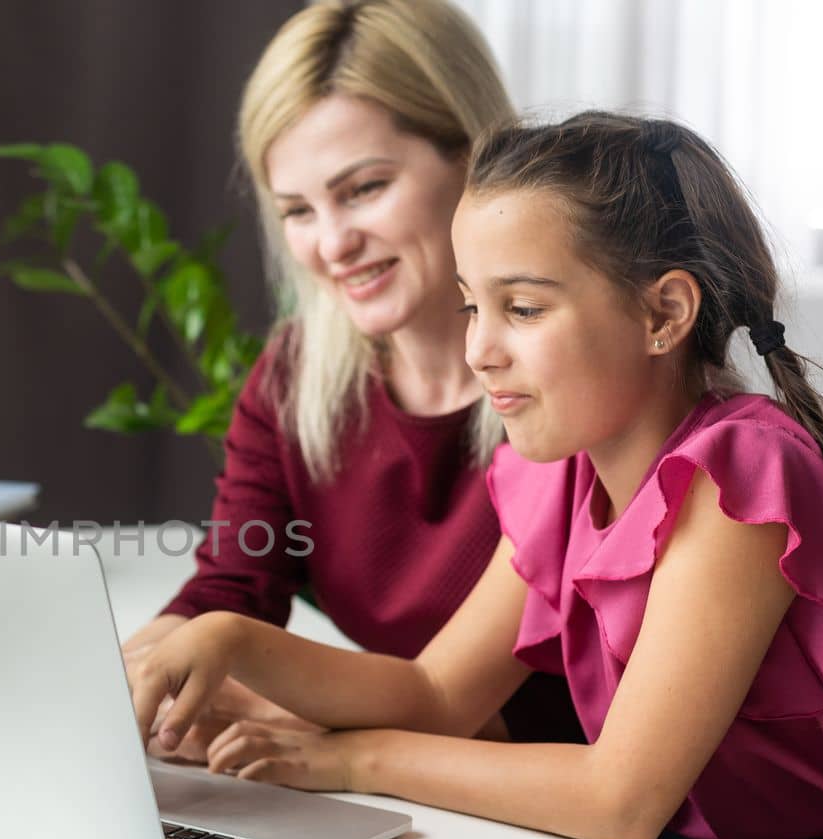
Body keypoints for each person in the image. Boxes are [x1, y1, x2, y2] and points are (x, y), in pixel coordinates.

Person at [129, 110, 823, 839]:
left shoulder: (736, 477)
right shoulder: (558, 475)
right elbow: (435, 692)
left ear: (664, 313)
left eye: (521, 308)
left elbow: (621, 799)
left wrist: (352, 759)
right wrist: (231, 643)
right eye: (471, 306)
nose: (480, 349)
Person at [124, 0, 580, 753]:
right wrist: (138, 675)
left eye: (364, 188)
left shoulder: (573, 388)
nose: (333, 242)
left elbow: (586, 709)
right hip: (401, 787)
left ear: (475, 157)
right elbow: (233, 588)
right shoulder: (294, 378)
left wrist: (299, 721)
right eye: (297, 210)